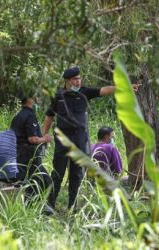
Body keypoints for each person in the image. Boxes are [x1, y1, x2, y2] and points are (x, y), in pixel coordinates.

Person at [43, 66, 125, 211]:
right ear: (67, 81)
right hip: (62, 142)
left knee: (76, 175)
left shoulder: (84, 93)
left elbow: (104, 90)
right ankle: (50, 205)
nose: (78, 81)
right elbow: (49, 116)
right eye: (75, 79)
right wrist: (43, 135)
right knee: (57, 173)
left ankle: (72, 206)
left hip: (80, 142)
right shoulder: (58, 96)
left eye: (79, 78)